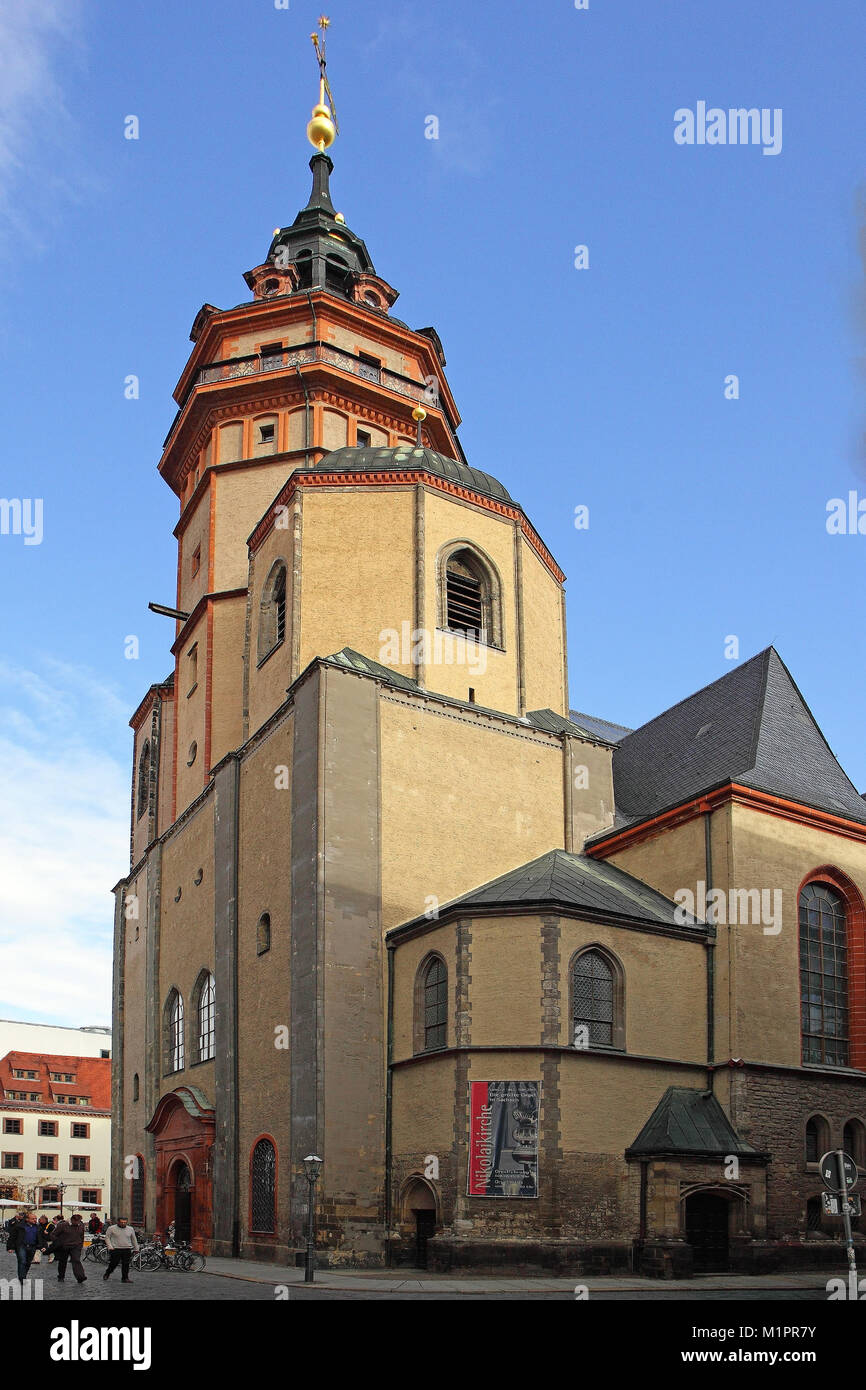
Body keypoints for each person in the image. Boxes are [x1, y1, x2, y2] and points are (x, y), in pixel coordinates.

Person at [5, 1210, 45, 1282]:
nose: (35, 1220)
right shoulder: (19, 1226)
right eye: (33, 1219)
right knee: (22, 1261)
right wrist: (9, 1247)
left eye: (36, 1218)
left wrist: (43, 1246)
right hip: (21, 1246)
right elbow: (12, 1237)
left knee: (28, 1262)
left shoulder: (38, 1227)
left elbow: (42, 1238)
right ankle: (22, 1278)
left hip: (32, 1246)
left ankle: (23, 1275)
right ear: (27, 1219)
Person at [50, 1214, 87, 1283]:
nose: (78, 1223)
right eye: (76, 1221)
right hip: (64, 1246)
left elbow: (81, 1236)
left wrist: (80, 1245)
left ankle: (80, 1277)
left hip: (76, 1246)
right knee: (62, 1262)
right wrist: (59, 1242)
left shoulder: (81, 1226)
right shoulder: (63, 1225)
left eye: (79, 1221)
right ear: (72, 1220)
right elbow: (53, 1235)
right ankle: (61, 1276)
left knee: (76, 1260)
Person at [103, 1216, 138, 1283]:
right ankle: (108, 1273)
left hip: (127, 1248)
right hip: (116, 1248)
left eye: (125, 1222)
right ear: (118, 1222)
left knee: (126, 1264)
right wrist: (110, 1246)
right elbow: (107, 1238)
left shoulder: (130, 1229)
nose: (123, 1224)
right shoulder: (111, 1228)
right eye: (122, 1222)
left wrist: (136, 1248)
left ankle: (125, 1278)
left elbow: (134, 1239)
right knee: (113, 1263)